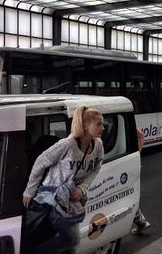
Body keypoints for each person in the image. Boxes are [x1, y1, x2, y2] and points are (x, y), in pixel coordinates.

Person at [23, 105, 105, 254]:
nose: (103, 128)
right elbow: (40, 163)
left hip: (71, 199)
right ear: (85, 126)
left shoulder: (98, 144)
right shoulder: (67, 145)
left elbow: (96, 167)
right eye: (98, 124)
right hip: (53, 199)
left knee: (70, 246)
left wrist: (82, 188)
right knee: (73, 240)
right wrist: (29, 191)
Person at [131, 128, 151, 235]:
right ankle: (141, 222)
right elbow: (141, 136)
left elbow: (141, 135)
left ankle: (141, 222)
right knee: (128, 194)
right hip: (130, 163)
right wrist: (136, 155)